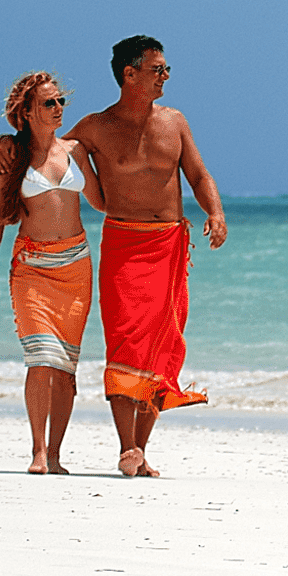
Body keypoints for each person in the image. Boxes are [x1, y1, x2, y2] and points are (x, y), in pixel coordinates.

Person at [67, 35, 227, 478]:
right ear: (129, 74)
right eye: (157, 69)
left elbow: (197, 173)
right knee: (124, 341)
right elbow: (50, 152)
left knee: (161, 346)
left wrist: (215, 211)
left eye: (166, 69)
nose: (165, 77)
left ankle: (141, 448)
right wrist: (14, 151)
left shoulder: (174, 122)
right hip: (122, 242)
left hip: (170, 245)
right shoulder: (95, 127)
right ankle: (126, 447)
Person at [0, 72, 105, 475]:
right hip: (32, 268)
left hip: (76, 267)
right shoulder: (12, 157)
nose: (58, 109)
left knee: (66, 367)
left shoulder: (74, 150)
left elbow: (102, 201)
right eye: (49, 103)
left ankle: (55, 455)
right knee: (40, 359)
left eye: (60, 101)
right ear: (28, 112)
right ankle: (36, 450)